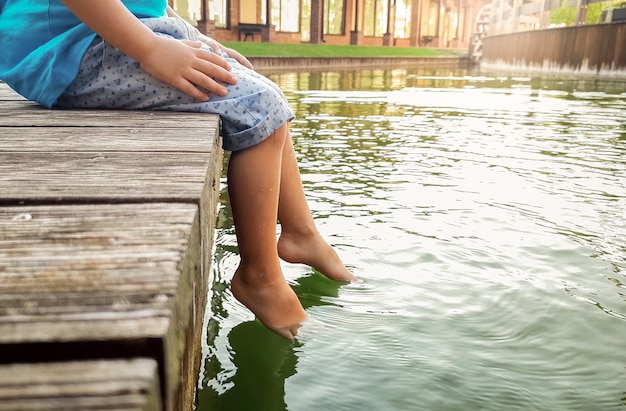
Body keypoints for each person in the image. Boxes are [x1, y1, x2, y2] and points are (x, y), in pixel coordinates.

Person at [0, 0, 355, 339]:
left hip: (107, 34)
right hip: (70, 48)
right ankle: (259, 278)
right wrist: (152, 51)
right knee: (258, 106)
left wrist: (195, 38)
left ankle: (300, 233)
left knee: (263, 93)